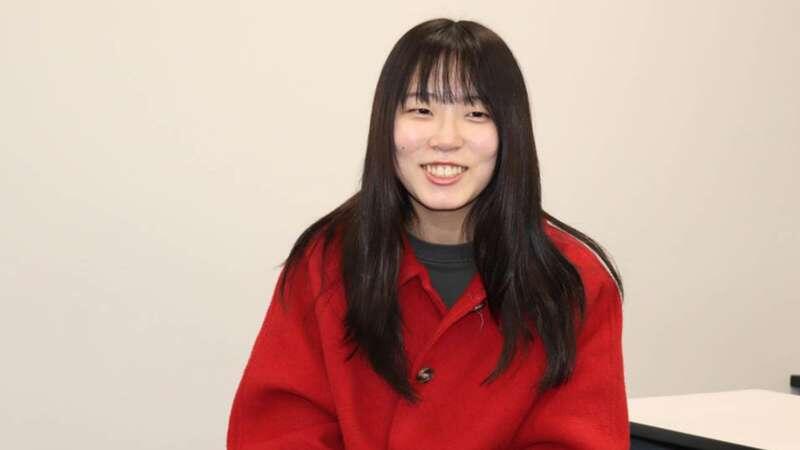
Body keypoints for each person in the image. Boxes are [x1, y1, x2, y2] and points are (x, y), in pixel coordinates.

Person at [227, 18, 628, 450]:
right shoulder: (325, 262)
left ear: (510, 132)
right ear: (386, 123)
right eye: (422, 110)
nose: (446, 138)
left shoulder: (573, 283)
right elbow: (278, 432)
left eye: (476, 114)